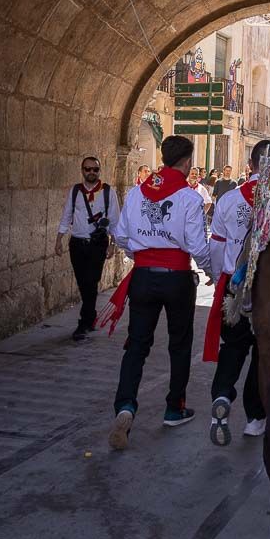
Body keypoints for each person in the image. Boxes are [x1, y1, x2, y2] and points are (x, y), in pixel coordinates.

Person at [105, 136, 214, 450]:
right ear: (186, 162)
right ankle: (174, 408)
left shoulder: (138, 193)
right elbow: (196, 245)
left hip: (142, 276)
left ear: (165, 158)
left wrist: (139, 255)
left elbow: (122, 235)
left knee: (136, 344)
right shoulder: (189, 198)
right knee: (179, 344)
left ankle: (125, 406)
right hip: (177, 277)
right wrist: (211, 272)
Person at [205, 142, 270, 446]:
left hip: (234, 287)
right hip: (269, 292)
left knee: (233, 348)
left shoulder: (229, 199)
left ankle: (222, 396)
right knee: (262, 354)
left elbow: (218, 245)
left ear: (250, 164)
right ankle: (254, 417)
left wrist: (218, 278)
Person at [55, 156, 121, 341]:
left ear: (99, 171)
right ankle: (90, 316)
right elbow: (67, 214)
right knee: (83, 282)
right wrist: (59, 238)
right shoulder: (75, 191)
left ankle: (83, 323)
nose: (91, 172)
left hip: (97, 244)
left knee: (91, 281)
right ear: (82, 170)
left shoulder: (108, 192)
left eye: (95, 169)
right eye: (87, 169)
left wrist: (113, 245)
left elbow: (115, 221)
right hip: (77, 242)